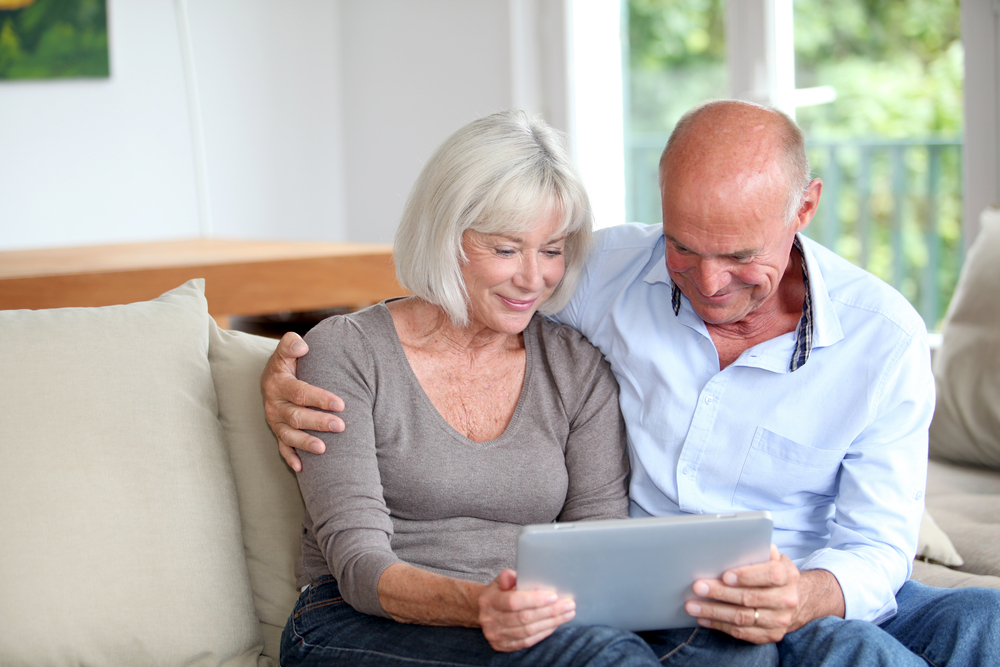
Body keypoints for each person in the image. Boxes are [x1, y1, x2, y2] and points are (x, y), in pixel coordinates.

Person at [264, 101, 1000, 666]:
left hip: (804, 582)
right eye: (683, 246)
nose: (709, 282)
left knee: (983, 622)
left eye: (740, 254)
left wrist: (807, 596)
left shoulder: (883, 336)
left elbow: (876, 544)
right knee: (839, 653)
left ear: (803, 210)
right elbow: (454, 308)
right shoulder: (609, 273)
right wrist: (275, 360)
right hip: (654, 604)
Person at [277, 109, 778, 667]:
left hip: (537, 624)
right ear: (446, 235)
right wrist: (482, 605)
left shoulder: (576, 368)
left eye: (552, 250)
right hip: (354, 621)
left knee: (733, 653)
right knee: (600, 658)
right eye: (506, 249)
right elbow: (356, 563)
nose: (533, 278)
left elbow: (599, 542)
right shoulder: (347, 352)